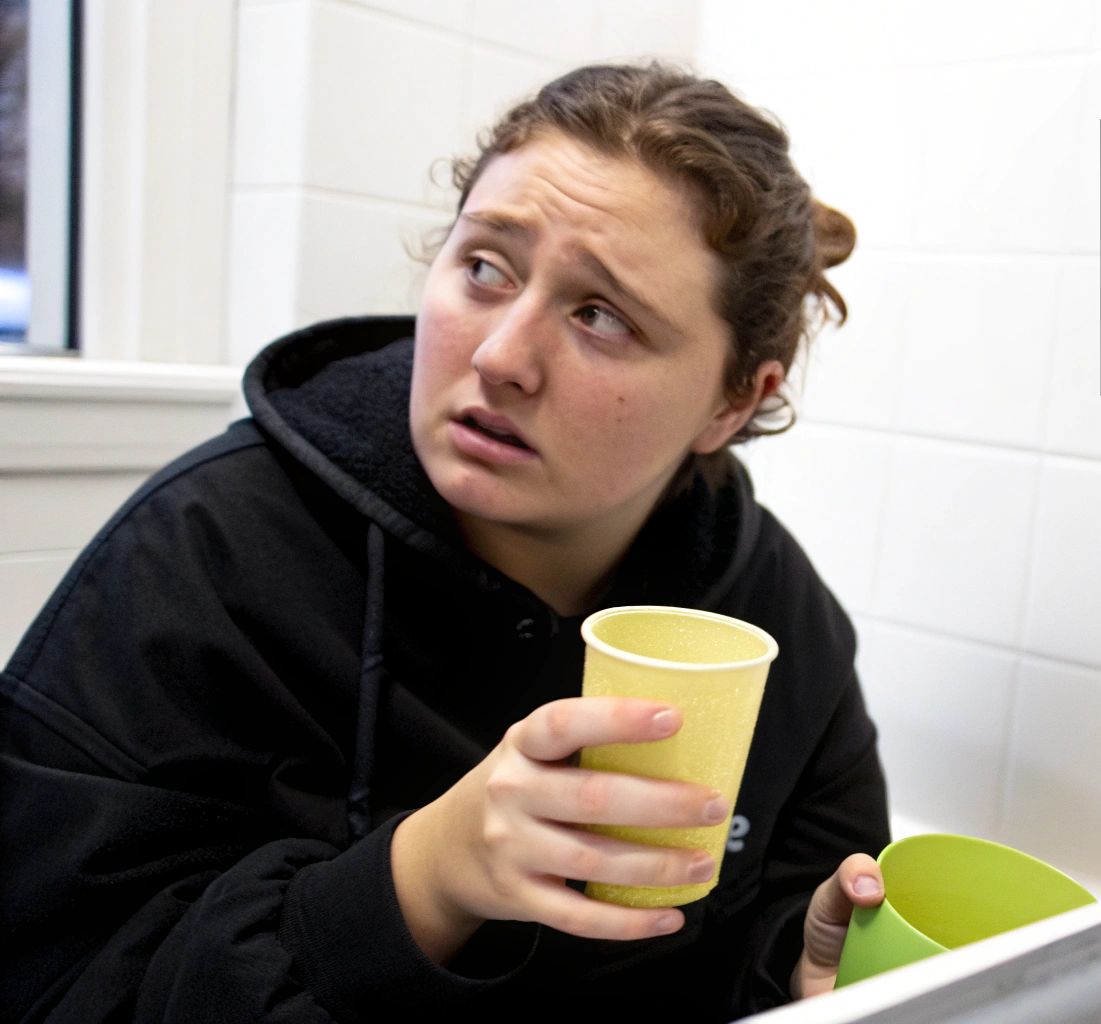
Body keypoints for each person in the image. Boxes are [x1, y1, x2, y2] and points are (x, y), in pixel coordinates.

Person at [0, 62, 891, 1021]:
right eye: (484, 267)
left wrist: (800, 978)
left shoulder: (773, 623)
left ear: (733, 400)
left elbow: (772, 939)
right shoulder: (205, 558)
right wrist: (420, 884)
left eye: (601, 316)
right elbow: (54, 982)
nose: (501, 355)